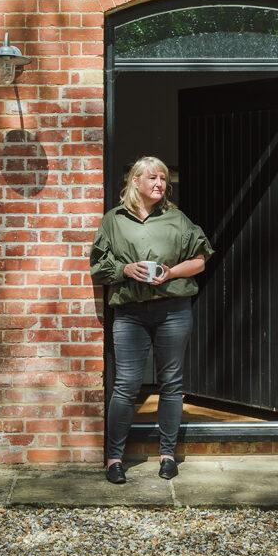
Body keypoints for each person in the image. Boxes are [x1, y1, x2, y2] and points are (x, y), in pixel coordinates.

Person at [89, 155, 213, 484]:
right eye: (152, 178)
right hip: (129, 313)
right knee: (126, 385)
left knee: (171, 383)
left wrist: (170, 272)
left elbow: (200, 261)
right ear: (135, 183)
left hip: (172, 310)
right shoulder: (113, 221)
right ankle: (114, 458)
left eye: (163, 179)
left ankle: (167, 455)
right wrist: (125, 269)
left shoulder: (177, 219)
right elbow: (98, 268)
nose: (159, 184)